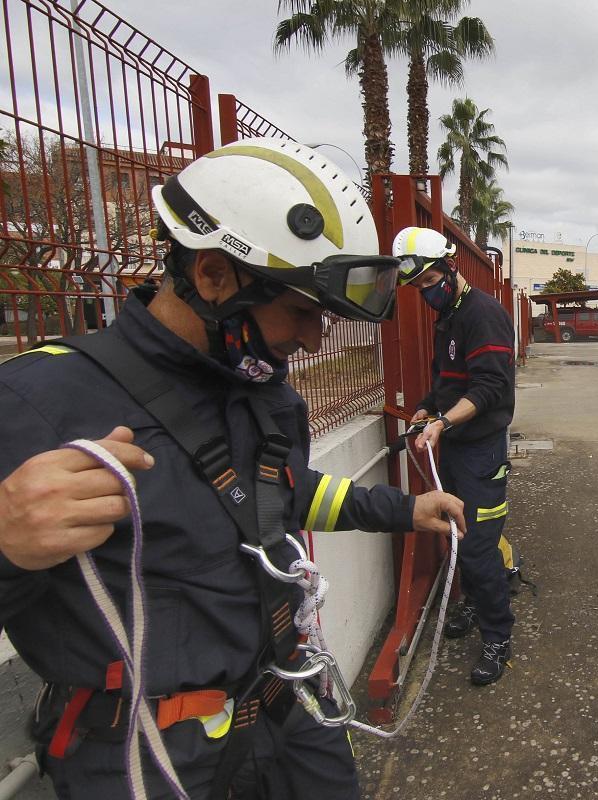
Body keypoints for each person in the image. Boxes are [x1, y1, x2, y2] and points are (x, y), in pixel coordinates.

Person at [0, 138, 465, 798]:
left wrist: (402, 509)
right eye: (302, 311)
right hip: (148, 754)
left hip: (291, 712)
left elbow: (273, 496)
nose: (312, 339)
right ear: (215, 275)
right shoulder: (37, 402)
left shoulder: (265, 393)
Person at [393, 226, 518, 686]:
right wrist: (429, 404)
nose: (425, 294)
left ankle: (498, 636)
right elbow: (450, 378)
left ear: (451, 267)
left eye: (429, 283)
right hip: (457, 446)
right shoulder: (449, 313)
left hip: (481, 449)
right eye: (418, 288)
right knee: (456, 532)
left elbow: (489, 386)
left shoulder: (482, 314)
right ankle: (473, 602)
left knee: (480, 544)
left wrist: (442, 423)